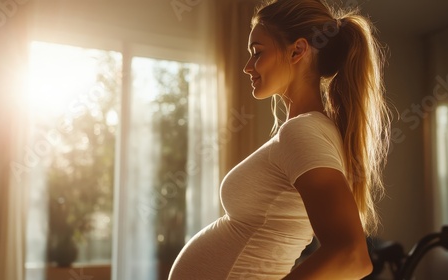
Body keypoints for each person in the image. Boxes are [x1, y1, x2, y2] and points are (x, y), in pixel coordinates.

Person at [168, 0, 391, 279]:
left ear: (297, 50)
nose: (248, 67)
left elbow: (352, 256)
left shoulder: (303, 131)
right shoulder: (302, 131)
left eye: (257, 53)